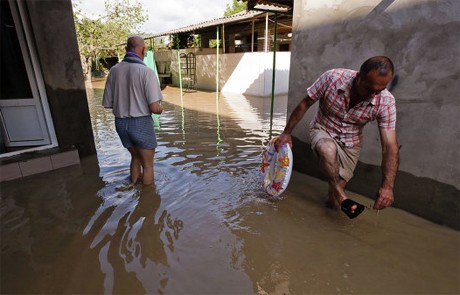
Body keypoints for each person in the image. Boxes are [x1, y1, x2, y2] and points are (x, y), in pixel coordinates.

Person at [276, 56, 399, 219]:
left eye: (380, 90)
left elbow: (389, 147)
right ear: (358, 77)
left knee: (332, 203)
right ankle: (343, 197)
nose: (374, 95)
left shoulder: (386, 102)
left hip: (351, 143)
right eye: (370, 88)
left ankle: (335, 200)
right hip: (323, 129)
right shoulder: (332, 78)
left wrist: (387, 186)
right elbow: (305, 103)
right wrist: (286, 133)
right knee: (327, 149)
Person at [103, 36, 163, 186]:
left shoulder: (114, 71)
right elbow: (155, 108)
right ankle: (147, 200)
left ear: (126, 49)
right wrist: (161, 108)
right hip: (141, 123)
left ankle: (132, 186)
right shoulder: (146, 71)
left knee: (135, 157)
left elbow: (107, 104)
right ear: (143, 50)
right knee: (148, 165)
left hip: (121, 124)